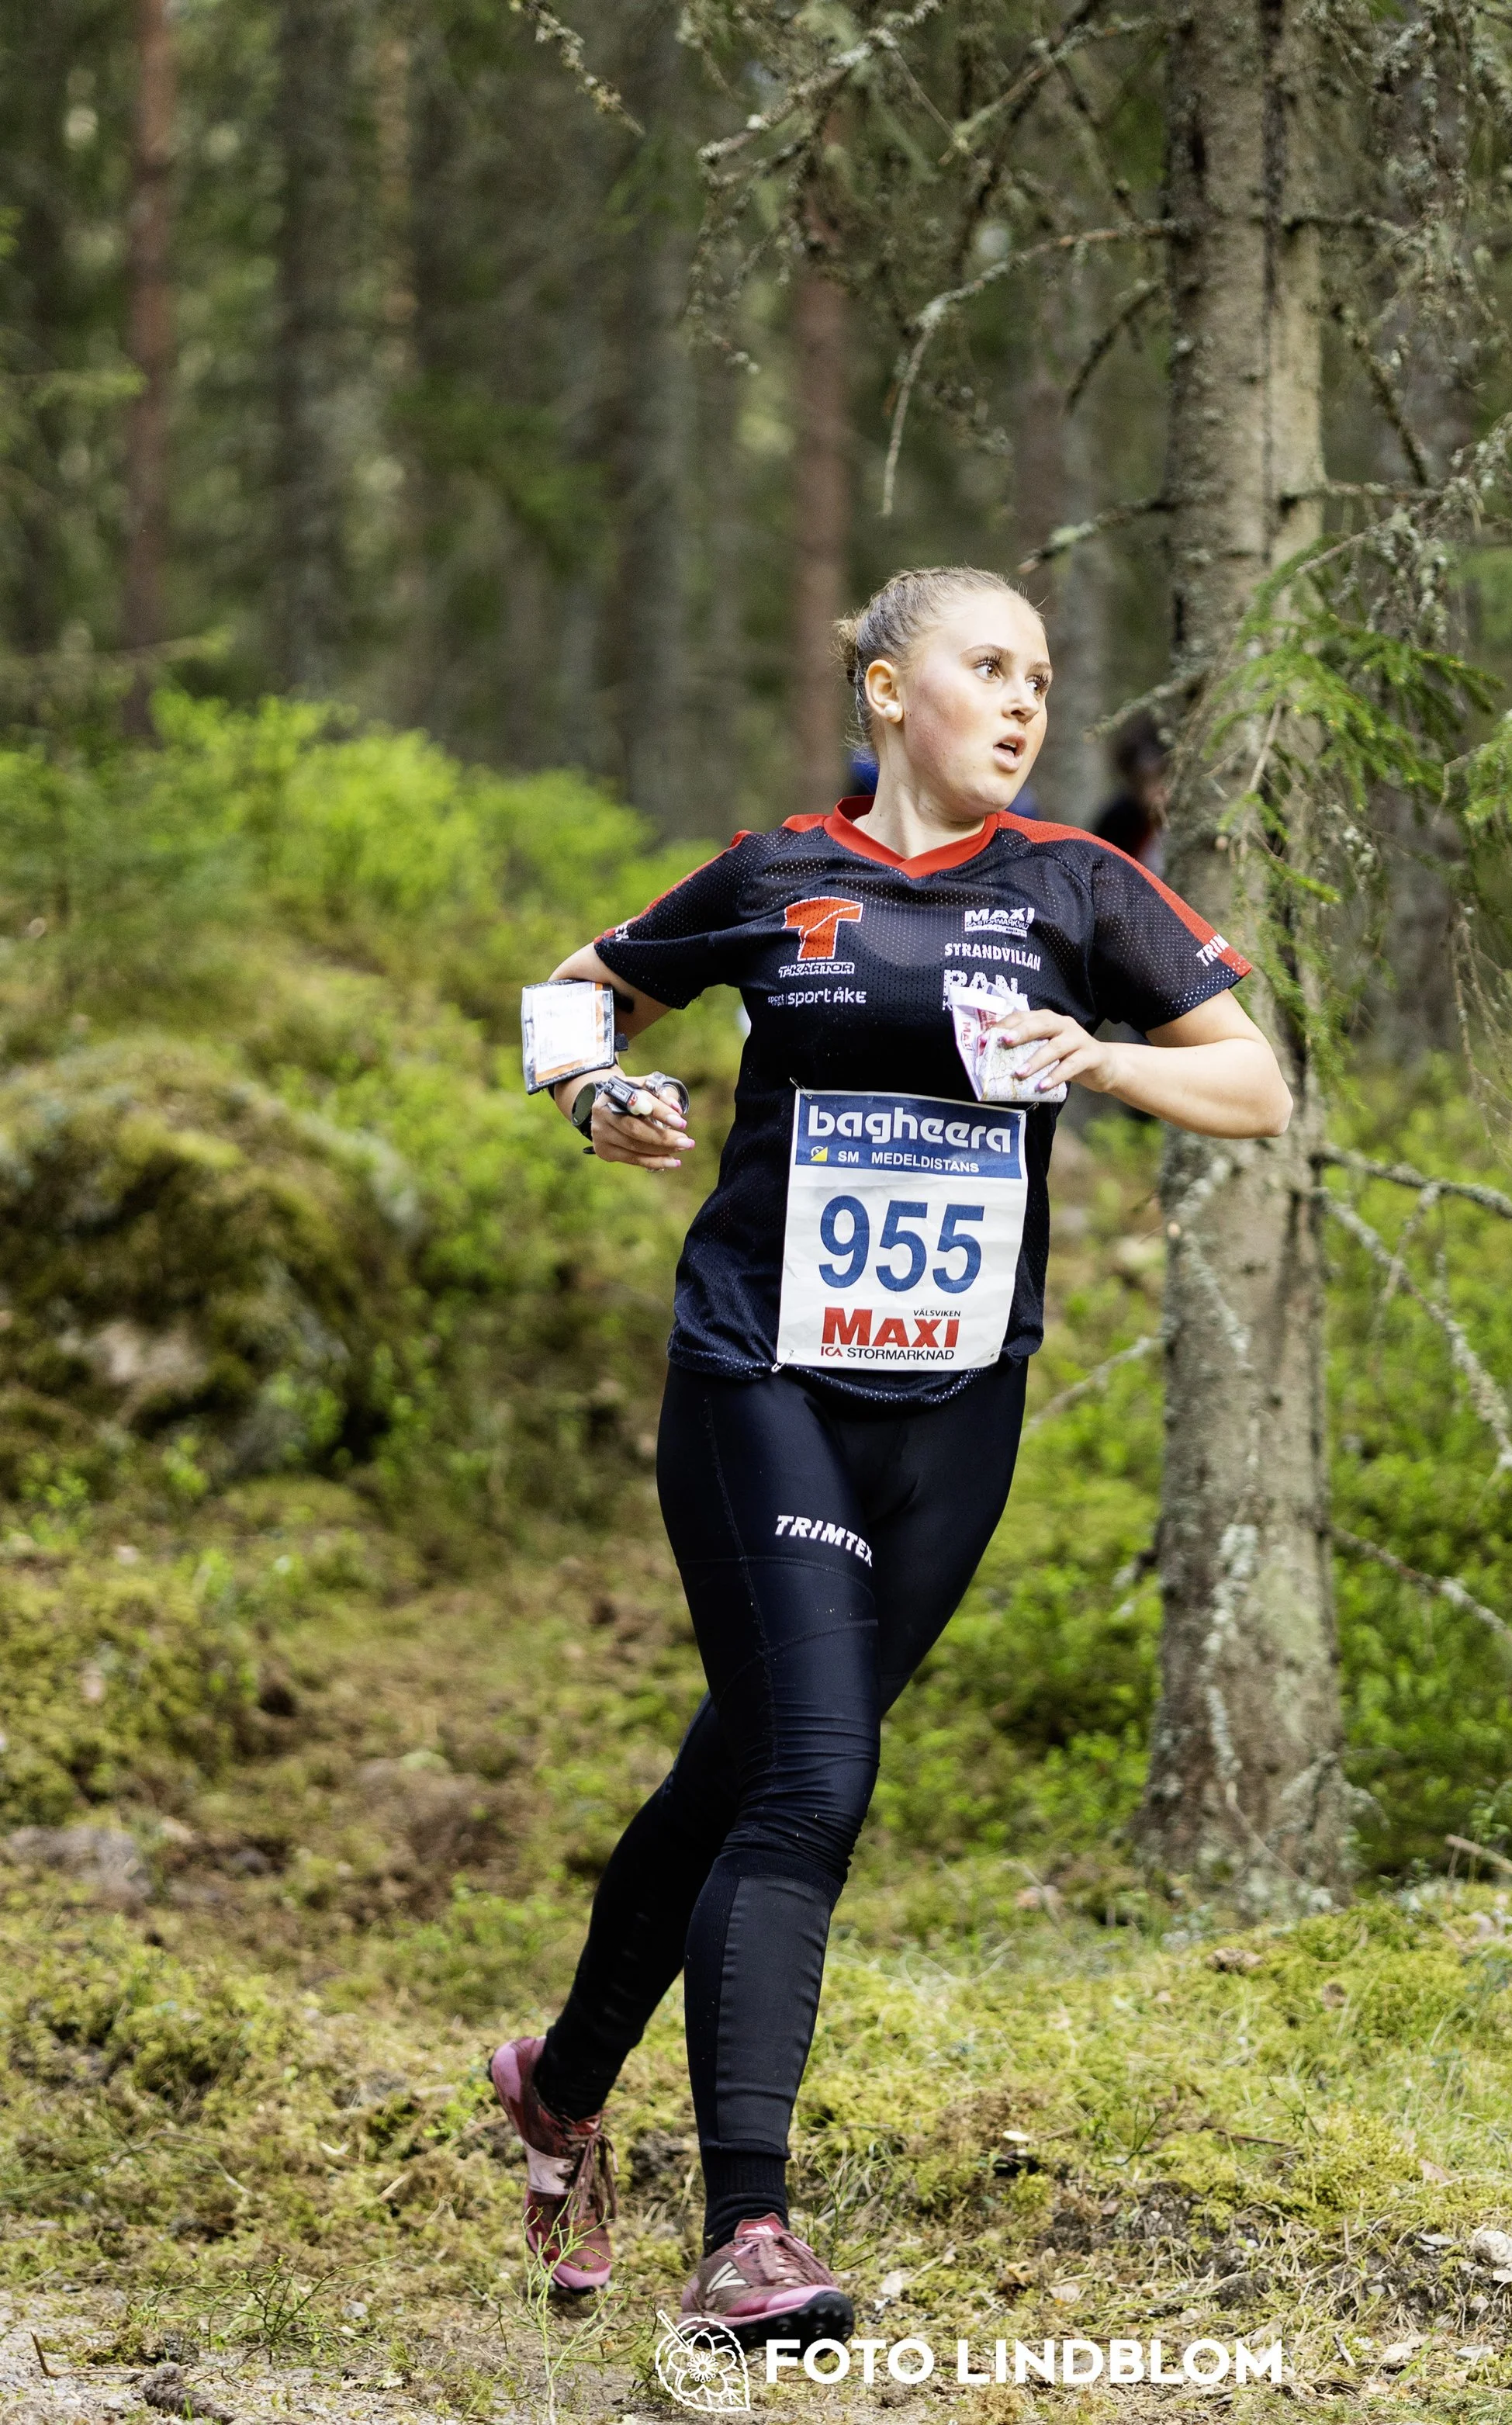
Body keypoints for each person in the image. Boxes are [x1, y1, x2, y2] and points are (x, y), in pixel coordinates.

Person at [490, 564, 1291, 2345]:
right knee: (813, 1784)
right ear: (882, 691)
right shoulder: (780, 873)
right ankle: (749, 2232)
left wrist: (1103, 1054)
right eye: (985, 667)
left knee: (744, 1771)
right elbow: (572, 994)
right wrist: (592, 1095)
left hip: (956, 1417)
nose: (1024, 702)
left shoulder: (1078, 887)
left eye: (1042, 677)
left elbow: (1258, 1084)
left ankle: (558, 2084)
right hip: (756, 1378)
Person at [1090, 708, 1169, 872]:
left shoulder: (1197, 818)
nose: (1151, 796)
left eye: (1160, 777)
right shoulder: (1119, 824)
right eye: (1141, 783)